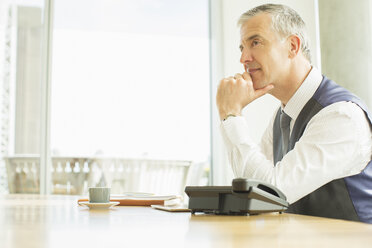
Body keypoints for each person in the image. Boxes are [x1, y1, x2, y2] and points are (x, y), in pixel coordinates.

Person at [216, 3, 372, 223]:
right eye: (242, 47)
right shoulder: (283, 115)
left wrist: (231, 115)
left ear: (292, 46)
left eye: (255, 42)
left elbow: (270, 194)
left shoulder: (340, 116)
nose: (244, 58)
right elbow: (251, 188)